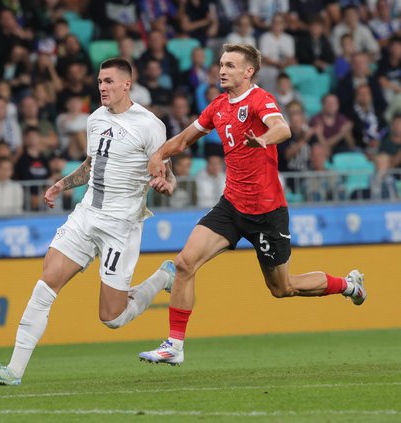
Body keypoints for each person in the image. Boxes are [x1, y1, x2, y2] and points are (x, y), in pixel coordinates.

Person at [138, 44, 367, 367]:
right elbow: (185, 139)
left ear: (248, 72)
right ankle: (174, 345)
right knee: (185, 263)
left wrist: (264, 138)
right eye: (221, 64)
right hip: (231, 206)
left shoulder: (261, 100)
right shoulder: (217, 106)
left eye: (230, 65)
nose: (222, 70)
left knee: (282, 288)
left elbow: (282, 128)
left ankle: (347, 284)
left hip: (266, 212)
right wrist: (158, 155)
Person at [0, 58, 177, 386]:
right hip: (86, 215)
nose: (102, 87)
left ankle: (160, 278)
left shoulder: (150, 125)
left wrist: (165, 183)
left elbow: (164, 169)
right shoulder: (95, 119)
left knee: (111, 318)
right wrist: (63, 183)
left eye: (109, 81)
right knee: (46, 283)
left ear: (127, 84)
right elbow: (92, 162)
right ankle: (14, 370)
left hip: (121, 225)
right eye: (100, 81)